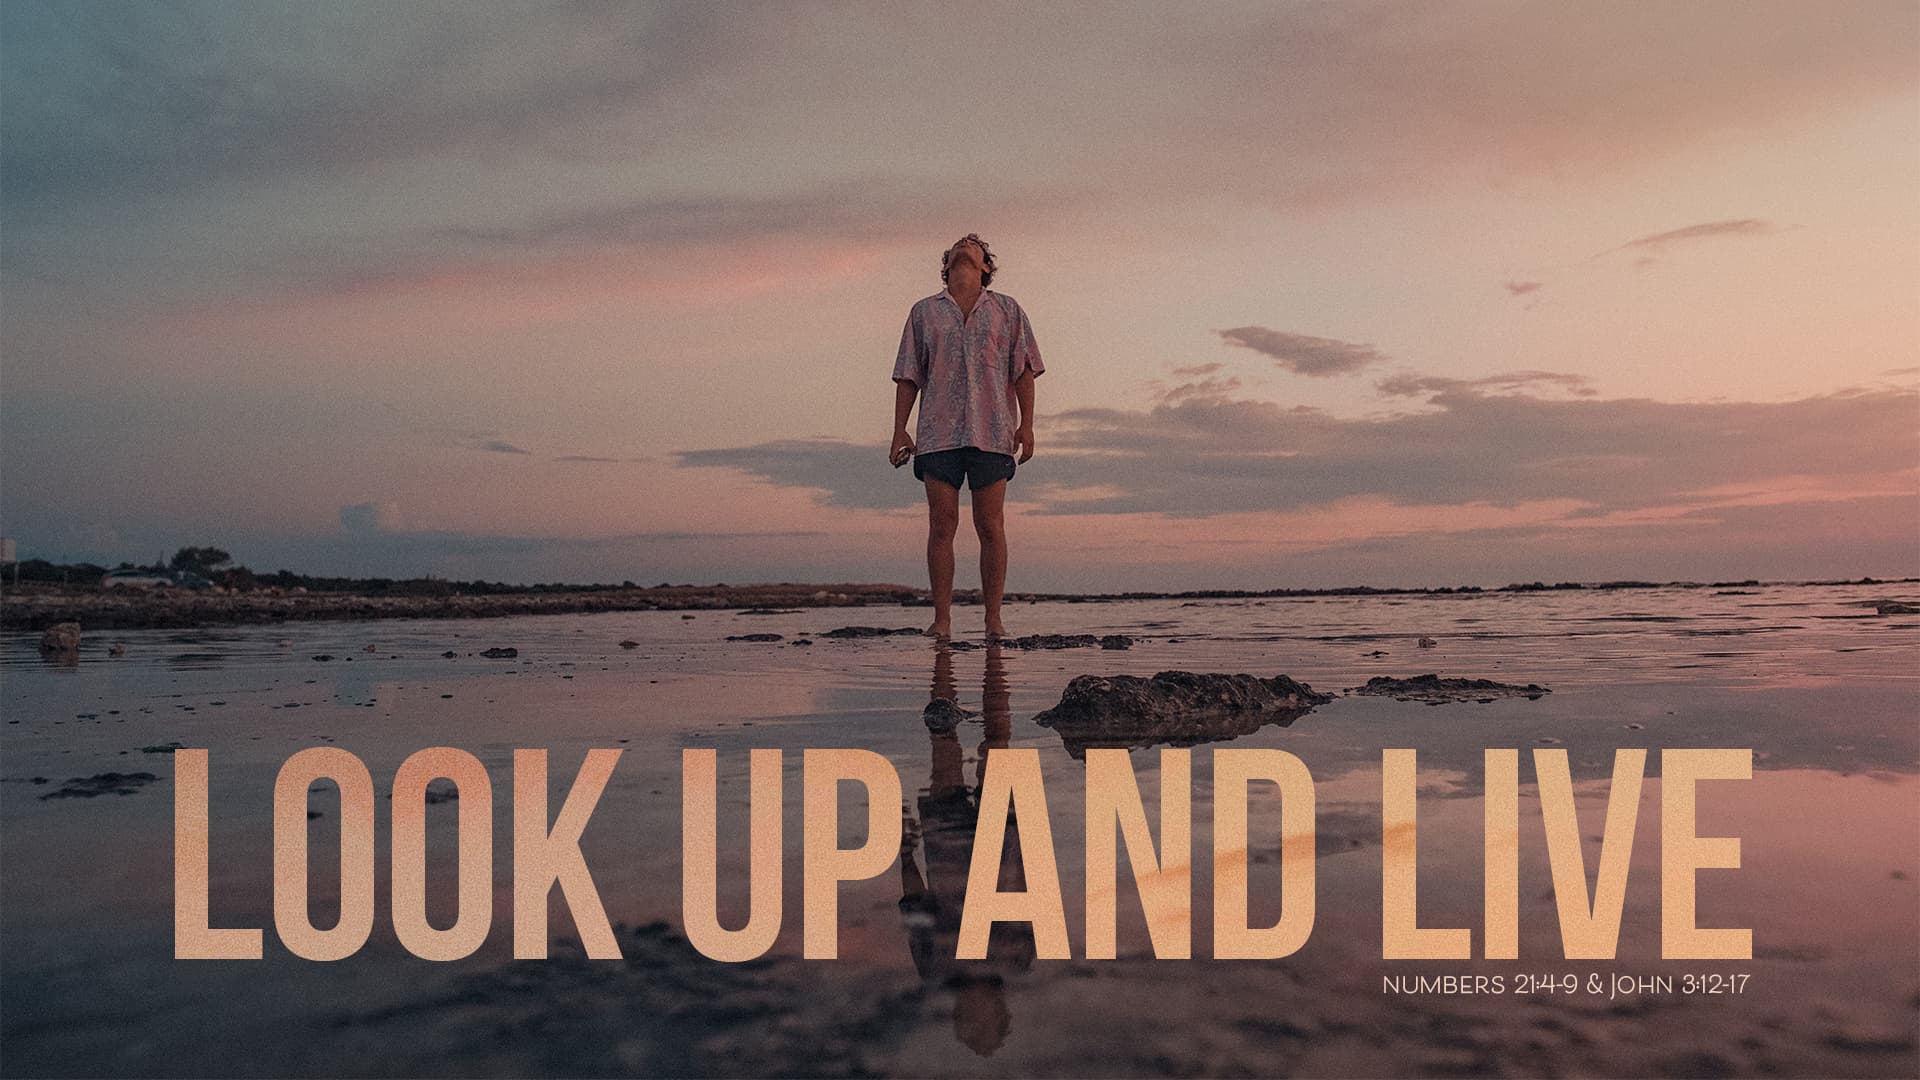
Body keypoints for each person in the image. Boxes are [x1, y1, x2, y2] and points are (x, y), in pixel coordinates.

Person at [889, 233, 1045, 640]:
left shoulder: (1007, 310)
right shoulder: (924, 312)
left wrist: (1026, 425)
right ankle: (941, 620)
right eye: (959, 243)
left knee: (990, 526)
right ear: (947, 263)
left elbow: (1024, 370)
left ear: (986, 266)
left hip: (992, 431)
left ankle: (993, 620)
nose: (964, 244)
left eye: (974, 244)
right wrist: (898, 429)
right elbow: (909, 373)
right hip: (937, 432)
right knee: (942, 525)